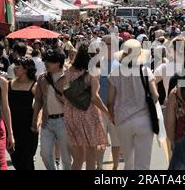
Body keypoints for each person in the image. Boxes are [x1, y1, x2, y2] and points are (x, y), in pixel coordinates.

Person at [108, 39, 159, 170]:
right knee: (143, 163)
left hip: (122, 119)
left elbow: (110, 100)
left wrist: (112, 116)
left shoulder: (115, 73)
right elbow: (155, 95)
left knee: (128, 161)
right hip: (144, 118)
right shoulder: (146, 71)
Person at [63, 43, 110, 170]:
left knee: (78, 158)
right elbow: (94, 97)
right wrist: (107, 112)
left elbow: (63, 92)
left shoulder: (67, 70)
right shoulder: (93, 72)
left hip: (70, 114)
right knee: (91, 156)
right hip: (88, 113)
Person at [32, 49, 72, 170]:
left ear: (58, 63)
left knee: (66, 156)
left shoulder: (69, 76)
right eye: (45, 61)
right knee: (44, 154)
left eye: (49, 61)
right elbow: (38, 101)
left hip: (64, 120)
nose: (46, 63)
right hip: (47, 121)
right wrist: (34, 120)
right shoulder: (42, 78)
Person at [8, 58, 39, 170]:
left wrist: (37, 122)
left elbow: (40, 105)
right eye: (15, 65)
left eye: (18, 66)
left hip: (28, 127)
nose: (14, 68)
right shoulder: (9, 84)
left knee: (27, 159)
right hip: (12, 126)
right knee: (15, 158)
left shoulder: (34, 85)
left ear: (26, 69)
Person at [97, 35, 121, 170]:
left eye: (109, 44)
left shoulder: (120, 63)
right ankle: (99, 167)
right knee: (100, 140)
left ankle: (115, 167)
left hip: (116, 109)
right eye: (105, 44)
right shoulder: (98, 63)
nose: (107, 46)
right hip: (100, 109)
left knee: (116, 141)